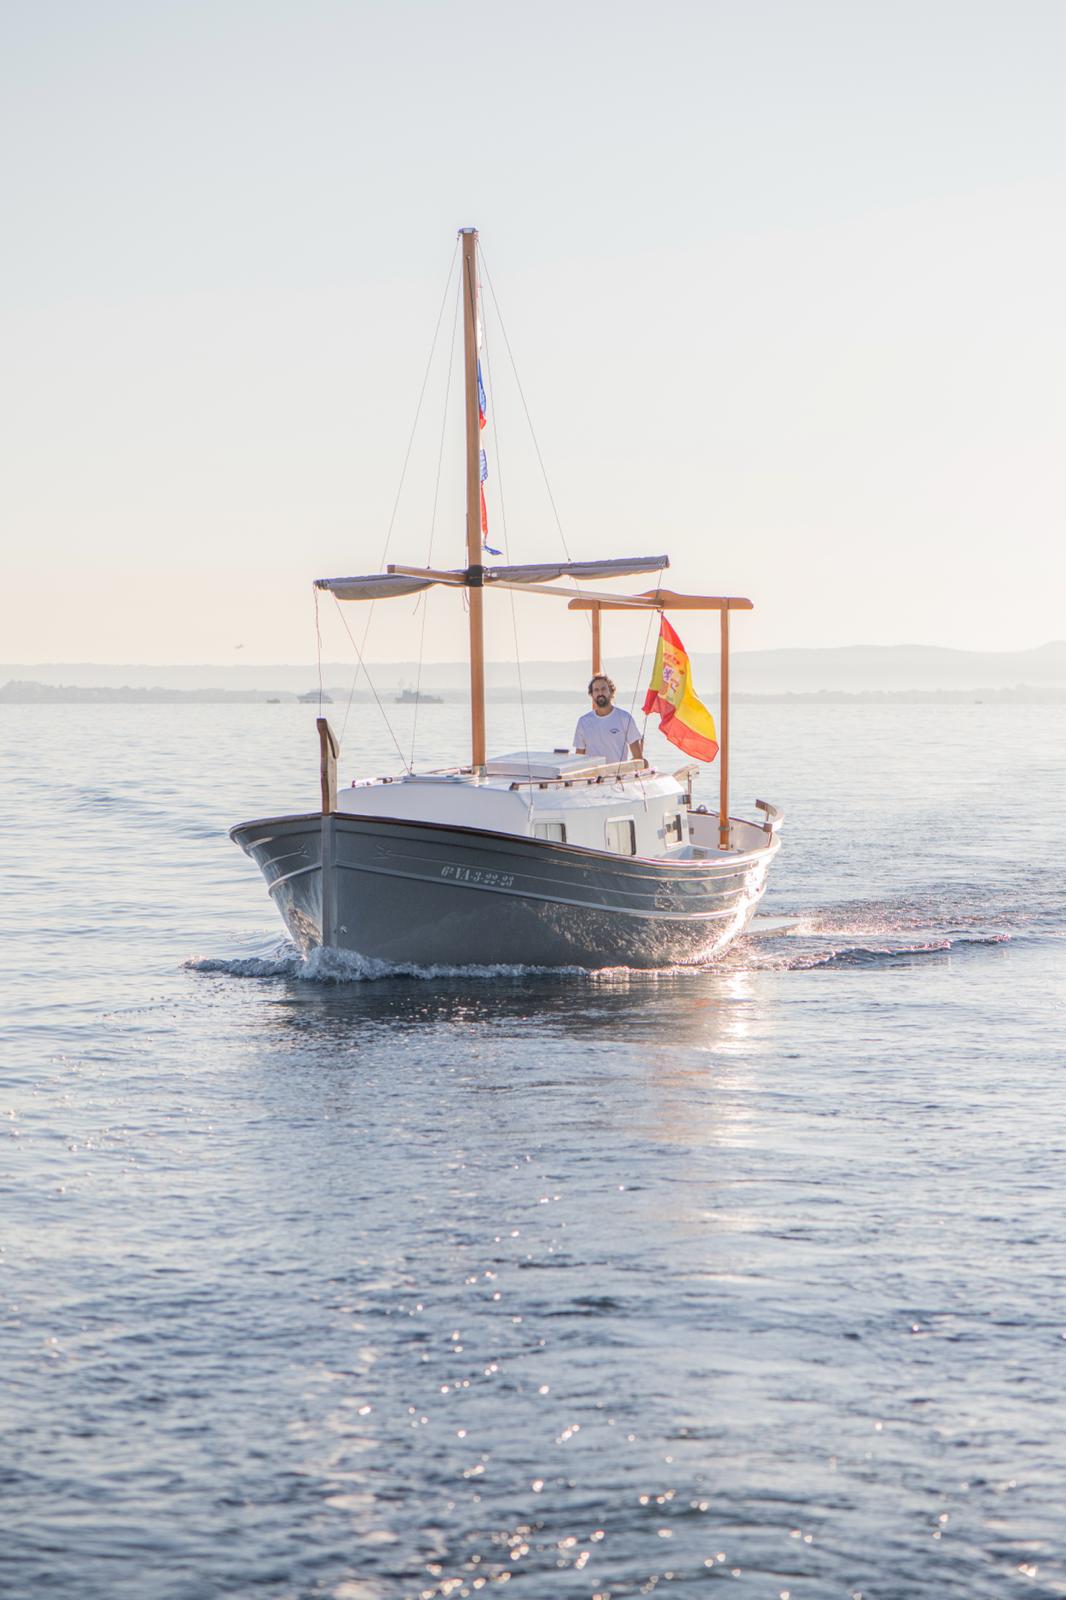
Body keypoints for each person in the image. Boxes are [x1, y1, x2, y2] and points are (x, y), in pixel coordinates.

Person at [573, 674, 644, 764]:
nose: (600, 693)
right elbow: (578, 759)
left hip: (617, 773)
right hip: (593, 773)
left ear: (611, 692)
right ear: (592, 694)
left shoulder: (625, 718)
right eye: (596, 690)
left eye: (603, 689)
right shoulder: (583, 722)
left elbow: (638, 758)